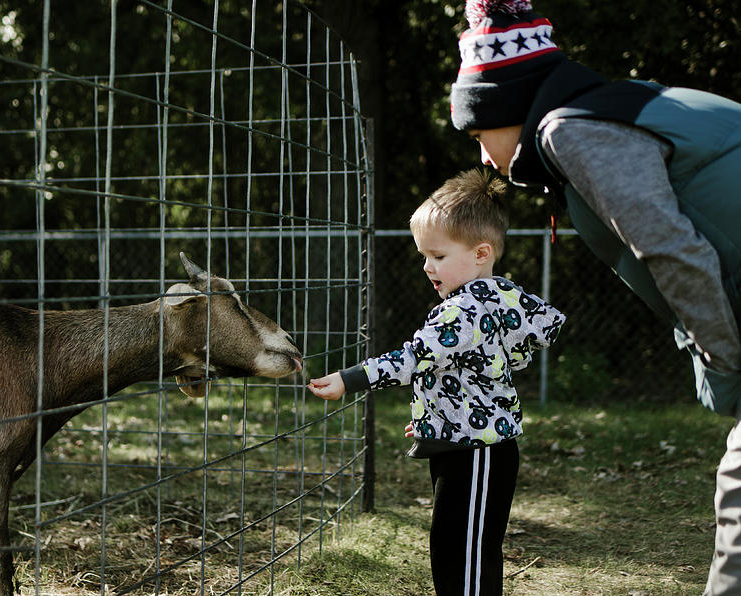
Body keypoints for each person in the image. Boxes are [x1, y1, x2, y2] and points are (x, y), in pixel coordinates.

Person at [448, 0, 741, 593]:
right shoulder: (621, 103)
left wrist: (727, 358)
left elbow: (670, 247)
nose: (483, 155)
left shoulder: (572, 130)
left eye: (480, 133)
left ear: (509, 108)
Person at [308, 168, 566, 595]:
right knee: (459, 547)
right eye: (424, 256)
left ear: (481, 252)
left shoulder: (462, 310)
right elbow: (528, 338)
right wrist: (436, 419)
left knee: (462, 553)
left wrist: (348, 379)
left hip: (478, 453)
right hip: (464, 444)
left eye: (439, 256)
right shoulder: (500, 296)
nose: (428, 267)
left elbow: (413, 358)